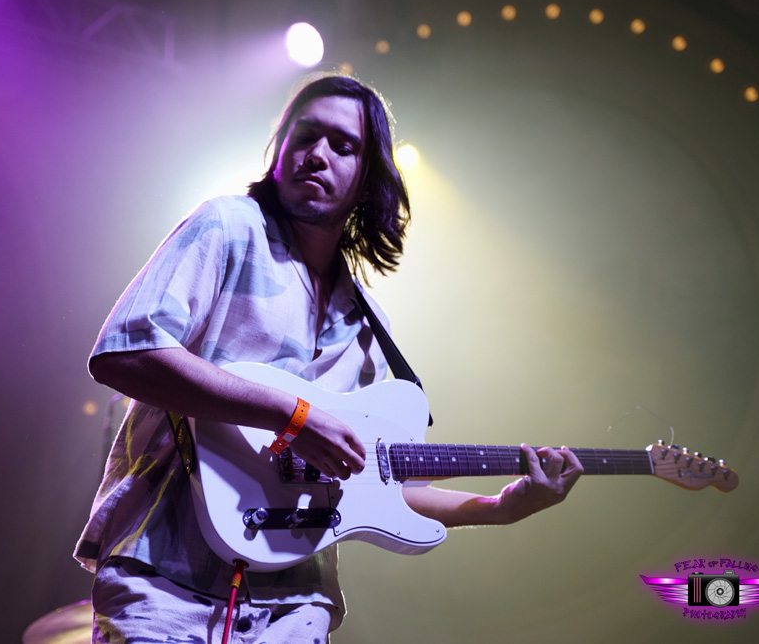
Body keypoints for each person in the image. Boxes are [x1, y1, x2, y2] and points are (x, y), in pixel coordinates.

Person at [76, 75, 583, 644]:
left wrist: (500, 508)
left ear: (368, 182)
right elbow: (126, 353)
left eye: (342, 146)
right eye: (305, 136)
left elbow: (371, 478)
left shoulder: (369, 323)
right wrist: (293, 416)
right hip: (167, 581)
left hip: (297, 604)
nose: (316, 154)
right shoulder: (229, 225)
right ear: (279, 151)